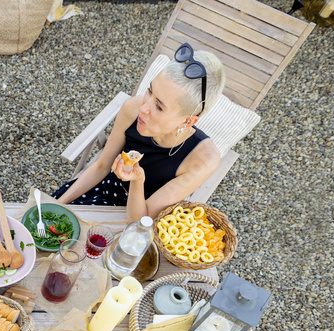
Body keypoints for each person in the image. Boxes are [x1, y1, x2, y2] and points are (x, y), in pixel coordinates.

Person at [54, 44, 226, 222]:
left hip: (135, 218)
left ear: (187, 121)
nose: (143, 108)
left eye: (159, 106)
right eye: (150, 91)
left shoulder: (201, 160)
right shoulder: (133, 108)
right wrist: (59, 204)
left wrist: (137, 181)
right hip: (102, 187)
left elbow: (139, 221)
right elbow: (101, 166)